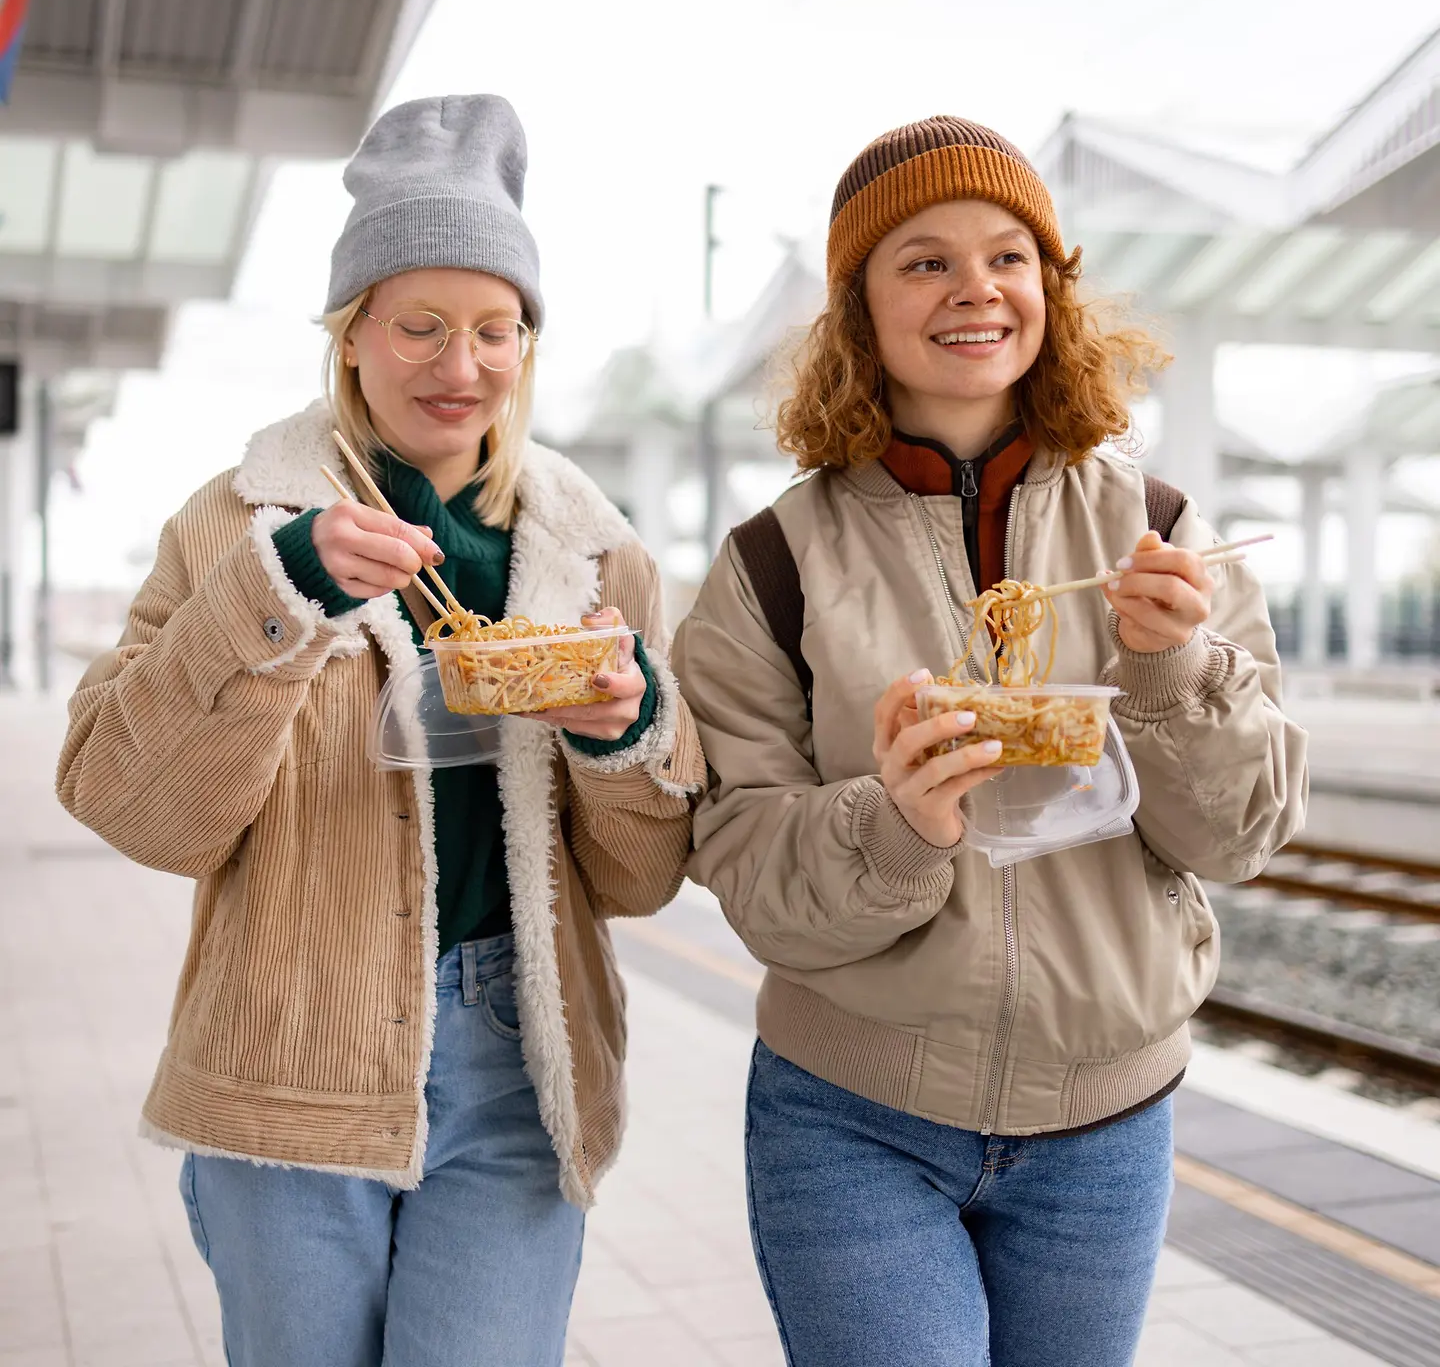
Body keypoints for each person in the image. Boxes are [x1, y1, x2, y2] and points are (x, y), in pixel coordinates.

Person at [56, 94, 703, 1367]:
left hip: (525, 1061)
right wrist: (276, 592)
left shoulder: (591, 548)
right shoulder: (239, 520)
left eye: (493, 330)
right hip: (292, 1043)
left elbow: (640, 875)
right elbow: (131, 805)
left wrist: (627, 733)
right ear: (351, 336)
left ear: (527, 343)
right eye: (418, 326)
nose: (458, 368)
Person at [672, 116, 1308, 1367]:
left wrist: (1171, 671)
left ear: (1049, 292)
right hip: (852, 1119)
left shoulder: (1159, 529)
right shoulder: (771, 564)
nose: (976, 290)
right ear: (858, 307)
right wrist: (894, 824)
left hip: (1110, 1120)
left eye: (1009, 256)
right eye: (924, 261)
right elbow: (741, 862)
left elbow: (1241, 838)